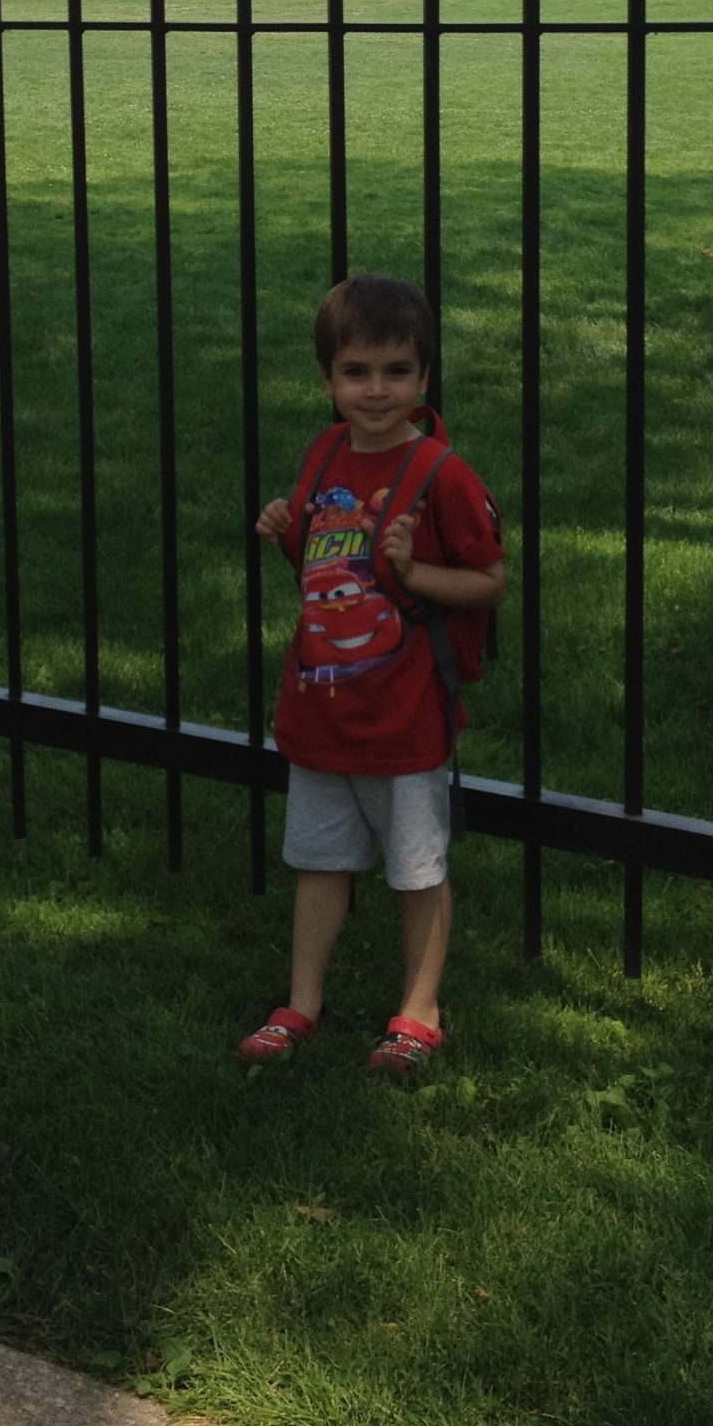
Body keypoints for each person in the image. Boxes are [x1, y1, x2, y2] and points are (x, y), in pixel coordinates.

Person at [240, 273, 505, 1078]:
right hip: (322, 711)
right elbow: (328, 574)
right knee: (319, 864)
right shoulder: (323, 455)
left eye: (397, 371)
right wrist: (286, 532)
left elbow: (490, 581)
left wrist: (418, 573)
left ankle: (418, 1013)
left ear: (424, 378)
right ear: (327, 381)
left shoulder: (440, 474)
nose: (377, 390)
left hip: (404, 719)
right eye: (356, 372)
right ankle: (301, 1004)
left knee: (417, 870)